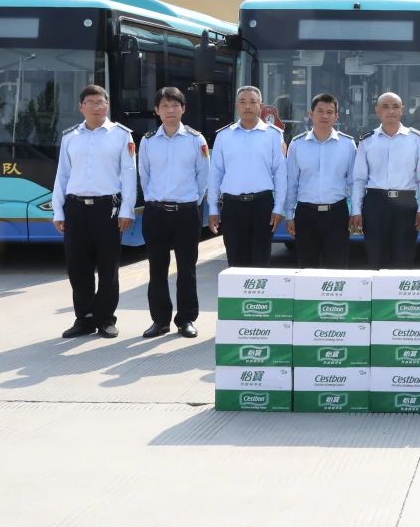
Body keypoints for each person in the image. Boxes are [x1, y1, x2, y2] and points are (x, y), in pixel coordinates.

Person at [52, 84, 137, 339]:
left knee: (108, 266)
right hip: (76, 207)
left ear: (107, 105)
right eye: (90, 102)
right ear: (81, 107)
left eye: (100, 102)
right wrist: (58, 211)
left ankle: (106, 318)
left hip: (107, 207)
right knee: (78, 266)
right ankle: (84, 319)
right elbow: (62, 175)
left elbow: (129, 174)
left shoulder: (121, 135)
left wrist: (127, 209)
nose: (96, 107)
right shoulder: (70, 136)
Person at [138, 86, 209, 339]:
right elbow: (144, 176)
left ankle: (186, 318)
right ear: (156, 110)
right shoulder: (147, 141)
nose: (170, 110)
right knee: (157, 268)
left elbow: (203, 178)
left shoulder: (196, 140)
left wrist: (190, 201)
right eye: (165, 106)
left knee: (186, 268)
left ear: (183, 109)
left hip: (186, 212)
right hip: (156, 212)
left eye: (175, 105)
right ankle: (160, 320)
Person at [208, 85, 286, 268]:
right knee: (235, 262)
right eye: (243, 102)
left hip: (262, 205)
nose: (248, 106)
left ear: (260, 106)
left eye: (252, 102)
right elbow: (215, 174)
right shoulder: (224, 136)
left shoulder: (273, 135)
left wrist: (279, 207)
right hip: (232, 206)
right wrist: (212, 208)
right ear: (237, 106)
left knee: (261, 261)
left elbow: (280, 173)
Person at [350, 92, 420, 268]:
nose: (391, 111)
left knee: (404, 259)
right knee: (375, 258)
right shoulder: (367, 140)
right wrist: (356, 210)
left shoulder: (415, 139)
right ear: (377, 111)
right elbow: (359, 179)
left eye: (395, 107)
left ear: (402, 110)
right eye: (385, 107)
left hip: (405, 204)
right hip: (375, 204)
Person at [285, 92, 356, 269]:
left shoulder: (347, 145)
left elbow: (353, 182)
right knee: (307, 268)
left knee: (337, 268)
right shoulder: (297, 144)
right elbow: (291, 182)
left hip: (337, 214)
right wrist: (289, 215)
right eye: (320, 111)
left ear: (336, 116)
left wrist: (355, 212)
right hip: (306, 214)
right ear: (311, 114)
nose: (325, 116)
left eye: (330, 112)